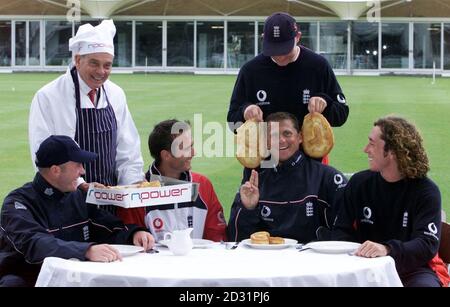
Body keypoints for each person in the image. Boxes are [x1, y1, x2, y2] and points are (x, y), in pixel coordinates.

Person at [0, 135, 154, 287]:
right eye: (78, 165)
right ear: (55, 170)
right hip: (29, 278)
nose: (83, 171)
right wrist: (85, 251)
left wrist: (134, 234)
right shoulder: (17, 203)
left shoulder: (78, 196)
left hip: (73, 279)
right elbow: (35, 243)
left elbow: (108, 227)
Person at [28, 20, 144, 212]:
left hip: (111, 203)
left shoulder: (116, 94)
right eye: (94, 63)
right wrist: (81, 184)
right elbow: (43, 156)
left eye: (107, 65)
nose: (101, 72)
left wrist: (132, 184)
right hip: (66, 202)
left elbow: (128, 149)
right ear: (77, 60)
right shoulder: (48, 96)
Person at [332, 116, 450, 287]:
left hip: (413, 269)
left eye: (372, 144)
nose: (366, 149)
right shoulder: (359, 183)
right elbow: (340, 231)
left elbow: (427, 244)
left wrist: (387, 249)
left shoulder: (426, 191)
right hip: (364, 266)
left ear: (393, 151)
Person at [227, 112, 347, 243]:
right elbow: (235, 239)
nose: (281, 140)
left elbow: (347, 231)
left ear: (300, 137)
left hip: (313, 261)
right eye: (273, 136)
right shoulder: (255, 183)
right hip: (269, 260)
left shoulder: (327, 177)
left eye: (287, 133)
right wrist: (248, 208)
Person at [227, 12, 349, 132]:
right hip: (265, 150)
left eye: (285, 49)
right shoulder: (250, 70)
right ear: (263, 39)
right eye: (273, 49)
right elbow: (233, 123)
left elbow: (341, 114)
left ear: (298, 37)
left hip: (308, 150)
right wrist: (245, 111)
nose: (280, 56)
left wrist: (325, 102)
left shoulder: (318, 65)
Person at [117, 119, 227, 242]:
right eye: (186, 148)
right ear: (166, 155)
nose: (193, 152)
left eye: (192, 145)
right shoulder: (137, 192)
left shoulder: (203, 185)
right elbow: (131, 240)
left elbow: (218, 237)